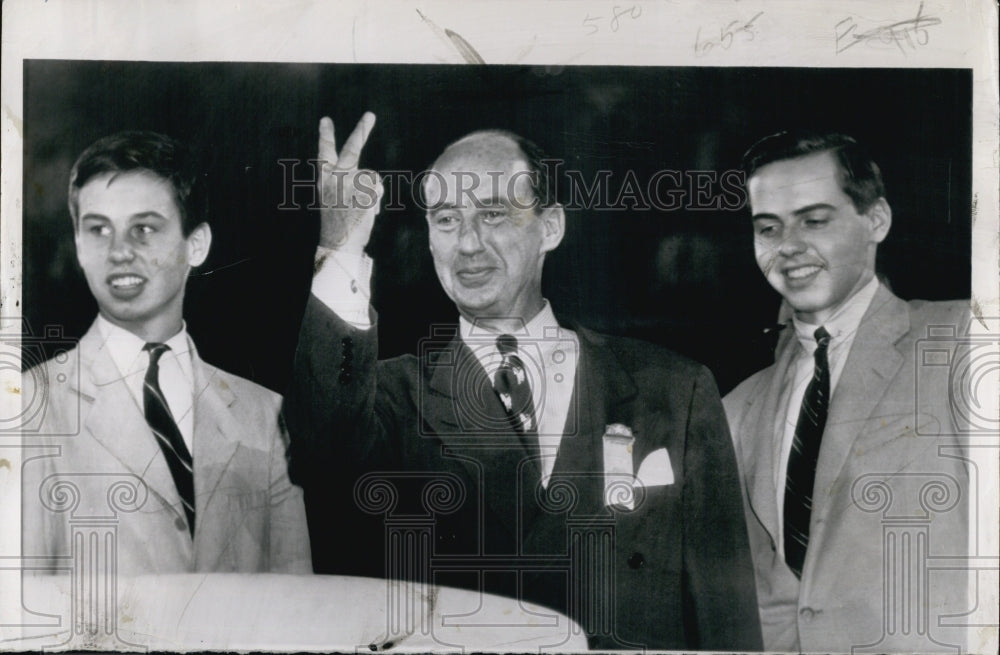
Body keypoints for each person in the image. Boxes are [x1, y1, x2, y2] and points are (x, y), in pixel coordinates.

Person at [284, 114, 762, 650]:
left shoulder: (675, 390)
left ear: (550, 227)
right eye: (445, 220)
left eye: (494, 214)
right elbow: (320, 446)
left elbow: (728, 621)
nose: (468, 243)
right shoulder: (390, 398)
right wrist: (342, 244)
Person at [22, 131, 311, 574]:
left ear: (196, 245)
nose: (119, 252)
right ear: (79, 246)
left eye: (144, 229)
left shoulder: (264, 414)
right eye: (98, 230)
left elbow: (296, 605)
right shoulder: (27, 407)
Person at [724, 130, 969, 652]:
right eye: (768, 227)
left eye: (814, 220)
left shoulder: (961, 342)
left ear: (876, 220)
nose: (788, 246)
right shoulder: (737, 406)